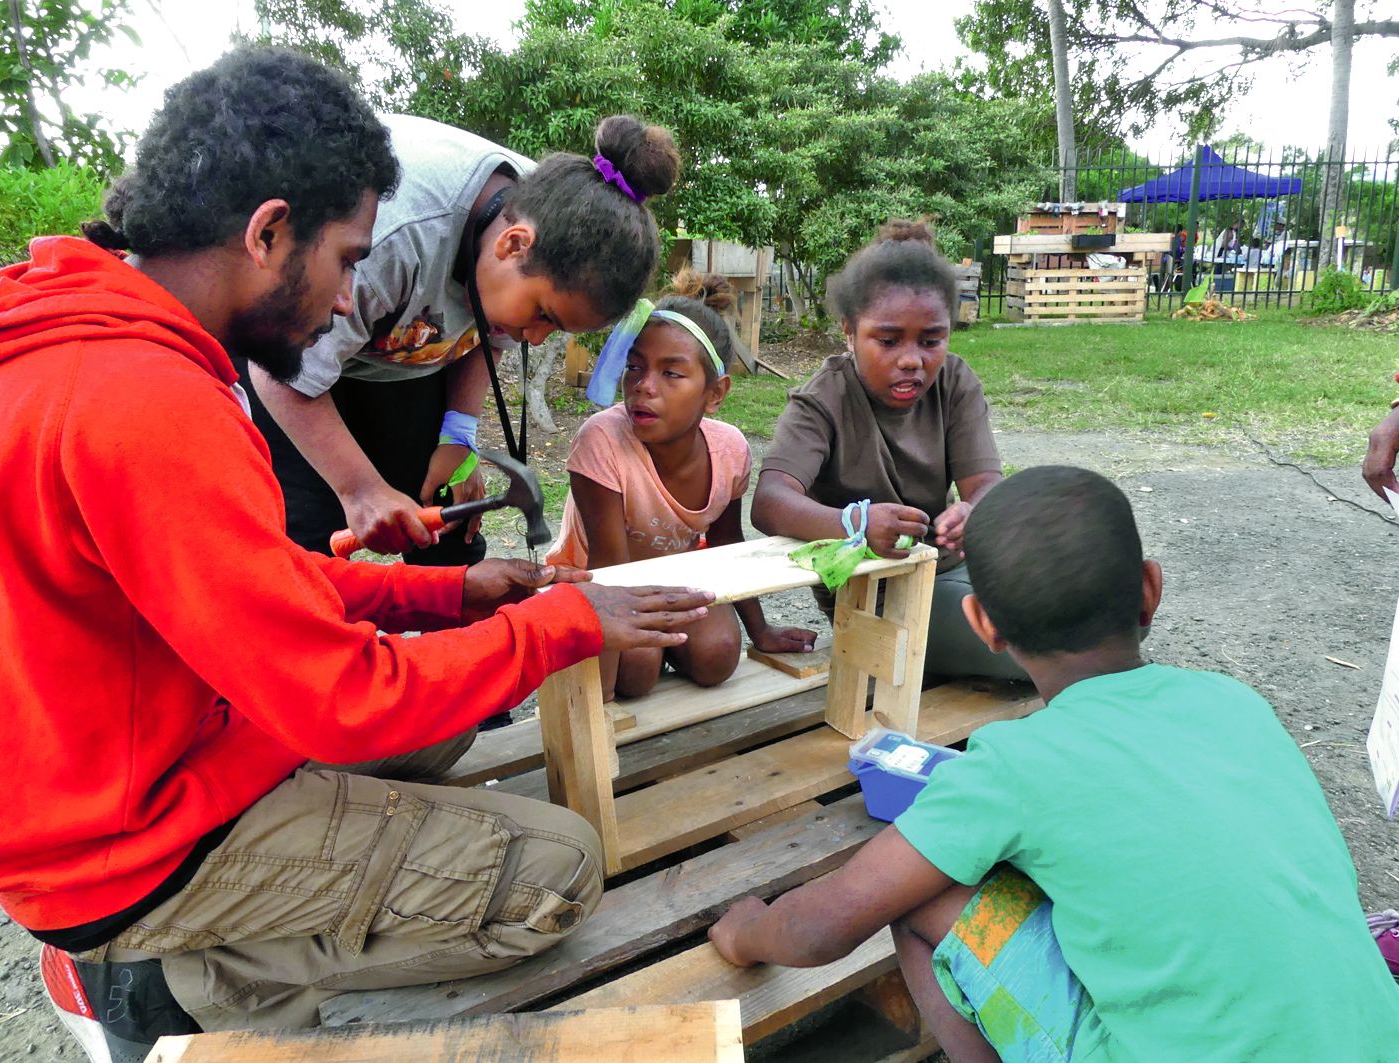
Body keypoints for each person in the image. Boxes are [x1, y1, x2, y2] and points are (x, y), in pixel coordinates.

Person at [0, 47, 713, 1063]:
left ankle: (242, 906)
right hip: (125, 854)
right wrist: (558, 623)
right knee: (561, 872)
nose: (345, 302)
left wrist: (447, 592)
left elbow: (252, 588)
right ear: (267, 231)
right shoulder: (146, 404)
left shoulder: (86, 340)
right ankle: (175, 974)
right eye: (344, 260)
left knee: (452, 725)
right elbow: (337, 694)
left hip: (142, 756)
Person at [710, 465, 1399, 1061]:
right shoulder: (1235, 702)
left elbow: (820, 925)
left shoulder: (1016, 762)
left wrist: (745, 931)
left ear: (982, 623)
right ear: (1150, 589)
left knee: (919, 893)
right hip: (1370, 1040)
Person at [242, 110, 681, 570]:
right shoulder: (393, 237)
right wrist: (360, 488)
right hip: (288, 351)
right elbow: (281, 373)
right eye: (542, 316)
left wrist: (458, 431)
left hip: (398, 352)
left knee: (449, 540)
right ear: (513, 245)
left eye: (555, 329)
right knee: (305, 545)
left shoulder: (558, 221)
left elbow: (485, 334)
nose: (532, 337)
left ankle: (457, 636)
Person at [751, 219, 1025, 681]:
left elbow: (986, 486)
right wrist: (854, 523)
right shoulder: (823, 399)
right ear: (848, 330)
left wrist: (975, 510)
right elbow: (770, 500)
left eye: (932, 340)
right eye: (888, 340)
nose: (912, 359)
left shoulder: (955, 383)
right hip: (870, 596)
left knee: (1087, 609)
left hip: (949, 570)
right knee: (1037, 642)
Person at [546, 269, 817, 700]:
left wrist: (760, 631)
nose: (643, 387)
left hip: (675, 580)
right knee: (635, 671)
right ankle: (647, 657)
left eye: (671, 374)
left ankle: (668, 646)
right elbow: (610, 571)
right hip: (602, 588)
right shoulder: (601, 443)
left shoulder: (729, 451)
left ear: (715, 393)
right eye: (634, 367)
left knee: (719, 656)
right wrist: (600, 700)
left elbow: (728, 542)